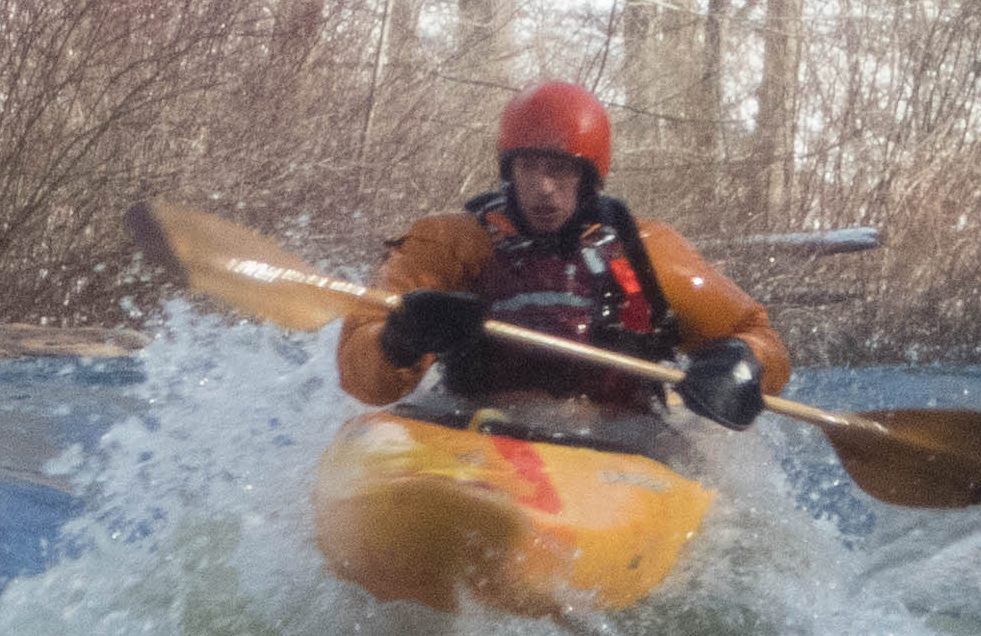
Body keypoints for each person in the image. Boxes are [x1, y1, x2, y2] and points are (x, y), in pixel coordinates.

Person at [336, 81, 789, 443]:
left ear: (589, 177)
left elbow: (758, 335)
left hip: (617, 444)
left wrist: (742, 362)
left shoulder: (645, 253)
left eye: (560, 168)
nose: (543, 187)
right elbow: (361, 373)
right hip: (470, 431)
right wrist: (398, 338)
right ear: (508, 171)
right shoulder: (451, 245)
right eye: (528, 167)